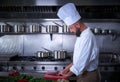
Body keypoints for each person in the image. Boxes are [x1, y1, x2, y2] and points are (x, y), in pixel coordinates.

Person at [57, 3, 100, 82]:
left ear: (77, 25)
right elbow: (77, 60)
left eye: (71, 28)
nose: (71, 30)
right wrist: (65, 70)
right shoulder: (81, 35)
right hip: (82, 74)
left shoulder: (87, 37)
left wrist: (67, 75)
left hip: (89, 76)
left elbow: (81, 61)